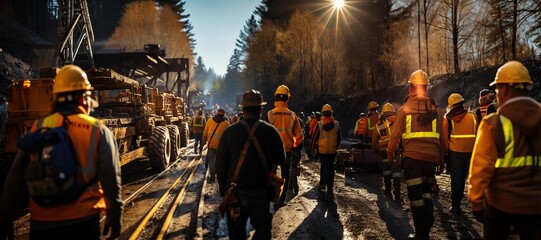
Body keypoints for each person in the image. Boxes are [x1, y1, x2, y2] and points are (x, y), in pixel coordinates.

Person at [0, 65, 123, 240]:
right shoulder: (97, 130)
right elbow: (111, 180)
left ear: (55, 98)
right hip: (83, 222)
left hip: (41, 225)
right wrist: (115, 217)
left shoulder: (37, 128)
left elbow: (14, 181)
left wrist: (4, 220)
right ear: (83, 98)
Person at [468, 61, 541, 239]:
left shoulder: (493, 123)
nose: (496, 95)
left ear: (506, 90)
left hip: (501, 209)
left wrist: (477, 202)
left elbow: (480, 169)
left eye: (497, 90)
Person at [216, 90, 285, 240]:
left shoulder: (229, 132)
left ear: (243, 109)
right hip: (261, 193)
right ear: (261, 109)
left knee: (236, 233)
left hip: (235, 195)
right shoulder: (271, 131)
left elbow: (220, 165)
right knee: (263, 230)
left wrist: (224, 190)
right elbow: (281, 158)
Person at [387, 70, 445, 240]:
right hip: (431, 159)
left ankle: (422, 233)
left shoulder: (405, 109)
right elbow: (443, 138)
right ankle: (426, 222)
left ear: (411, 87)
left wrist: (390, 155)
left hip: (412, 158)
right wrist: (441, 159)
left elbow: (395, 135)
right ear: (426, 88)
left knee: (415, 196)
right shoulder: (436, 110)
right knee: (426, 192)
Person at [267, 85, 304, 207]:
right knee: (285, 175)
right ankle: (281, 200)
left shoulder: (269, 114)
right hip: (286, 151)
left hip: (272, 151)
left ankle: (270, 199)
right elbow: (299, 136)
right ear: (287, 99)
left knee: (271, 175)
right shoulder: (292, 115)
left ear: (276, 98)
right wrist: (294, 146)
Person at [443, 93, 477, 215]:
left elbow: (445, 139)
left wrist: (445, 154)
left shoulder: (448, 119)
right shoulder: (473, 117)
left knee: (456, 179)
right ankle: (475, 205)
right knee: (467, 178)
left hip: (455, 152)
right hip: (470, 152)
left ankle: (456, 205)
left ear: (450, 106)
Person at [372, 103, 401, 202]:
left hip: (383, 150)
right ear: (393, 112)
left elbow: (374, 140)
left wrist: (376, 151)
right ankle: (397, 190)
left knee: (386, 170)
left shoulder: (379, 124)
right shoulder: (398, 121)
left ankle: (387, 189)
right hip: (396, 149)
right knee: (396, 170)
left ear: (383, 112)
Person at [310, 104, 341, 195]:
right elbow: (339, 138)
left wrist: (312, 149)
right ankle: (330, 185)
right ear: (331, 113)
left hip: (322, 150)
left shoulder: (319, 124)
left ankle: (323, 184)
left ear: (323, 113)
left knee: (324, 166)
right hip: (332, 150)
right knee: (331, 167)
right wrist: (336, 146)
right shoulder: (336, 124)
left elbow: (314, 138)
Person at [202, 108, 230, 182]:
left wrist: (204, 141)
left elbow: (205, 132)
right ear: (223, 115)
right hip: (220, 146)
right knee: (218, 161)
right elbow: (228, 136)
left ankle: (212, 175)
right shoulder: (226, 124)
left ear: (217, 113)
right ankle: (219, 175)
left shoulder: (210, 121)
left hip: (211, 144)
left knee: (211, 160)